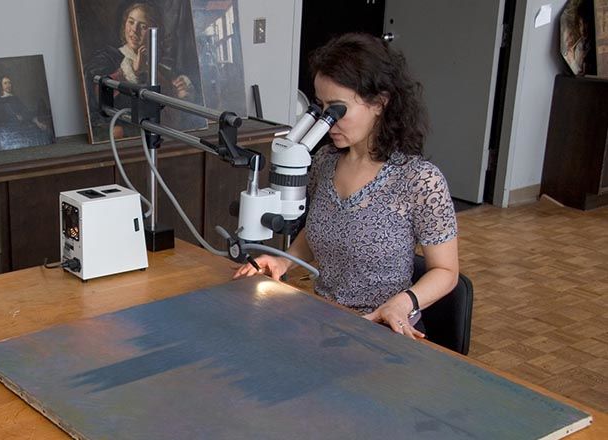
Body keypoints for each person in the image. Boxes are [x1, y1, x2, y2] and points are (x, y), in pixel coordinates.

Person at [233, 33, 459, 339]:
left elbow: (446, 272)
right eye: (321, 108)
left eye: (337, 110)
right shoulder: (323, 161)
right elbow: (317, 232)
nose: (327, 122)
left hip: (383, 330)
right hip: (322, 324)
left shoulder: (419, 180)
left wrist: (404, 303)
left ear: (379, 103)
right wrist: (282, 261)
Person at [84, 1, 198, 140]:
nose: (134, 30)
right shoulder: (107, 58)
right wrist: (131, 71)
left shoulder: (163, 68)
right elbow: (96, 96)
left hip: (157, 140)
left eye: (143, 26)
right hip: (125, 140)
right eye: (130, 22)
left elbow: (170, 119)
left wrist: (180, 95)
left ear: (154, 32)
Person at [0, 75, 50, 149]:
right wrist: (15, 117)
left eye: (9, 83)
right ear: (1, 85)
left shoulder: (15, 98)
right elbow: (0, 117)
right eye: (5, 83)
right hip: (7, 130)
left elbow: (25, 111)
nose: (8, 85)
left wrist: (37, 122)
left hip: (21, 126)